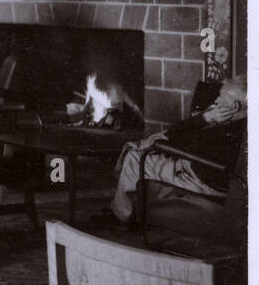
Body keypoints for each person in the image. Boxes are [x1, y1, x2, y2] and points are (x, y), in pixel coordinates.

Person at [104, 75, 246, 225]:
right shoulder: (245, 126)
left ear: (235, 106)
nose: (216, 101)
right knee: (148, 143)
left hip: (201, 178)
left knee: (135, 157)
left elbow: (174, 135)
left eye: (220, 97)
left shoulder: (225, 132)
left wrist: (206, 117)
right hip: (217, 175)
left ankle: (123, 217)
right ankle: (132, 206)